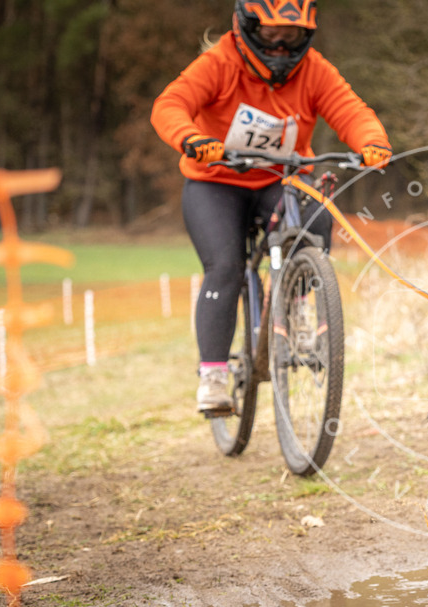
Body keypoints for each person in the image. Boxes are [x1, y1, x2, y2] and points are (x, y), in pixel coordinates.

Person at [151, 0, 391, 413]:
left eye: (291, 37)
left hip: (280, 179)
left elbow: (350, 110)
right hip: (215, 182)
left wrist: (372, 142)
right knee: (225, 268)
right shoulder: (220, 61)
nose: (280, 47)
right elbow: (169, 106)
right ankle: (213, 375)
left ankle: (298, 308)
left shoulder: (314, 69)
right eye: (270, 35)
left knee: (315, 213)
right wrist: (190, 138)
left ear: (307, 35)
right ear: (247, 28)